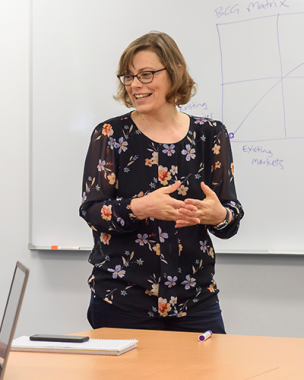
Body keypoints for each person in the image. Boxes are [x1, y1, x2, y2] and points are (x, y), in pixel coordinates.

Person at [79, 31, 244, 333]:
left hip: (196, 301)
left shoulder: (210, 135)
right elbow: (91, 209)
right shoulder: (110, 135)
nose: (135, 86)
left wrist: (220, 215)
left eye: (146, 74)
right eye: (128, 77)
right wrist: (139, 208)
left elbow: (230, 216)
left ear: (176, 72)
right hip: (122, 301)